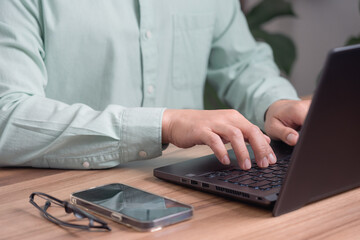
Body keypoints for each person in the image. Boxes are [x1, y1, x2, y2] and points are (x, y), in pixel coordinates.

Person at [0, 0, 310, 170]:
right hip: (59, 199)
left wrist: (275, 103)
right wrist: (165, 123)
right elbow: (7, 115)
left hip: (193, 190)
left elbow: (242, 63)